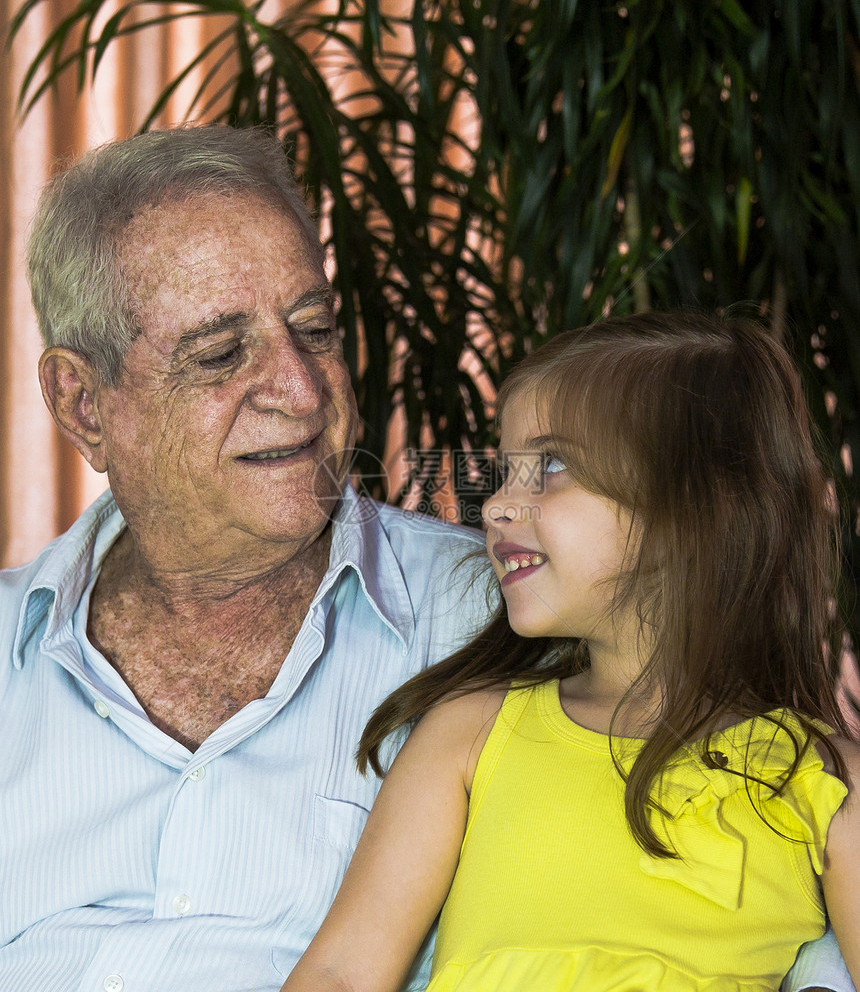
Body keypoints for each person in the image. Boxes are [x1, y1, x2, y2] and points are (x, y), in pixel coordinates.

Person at [0, 125, 492, 991]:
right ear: (83, 404)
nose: (302, 391)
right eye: (221, 354)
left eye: (316, 329)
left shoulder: (495, 621)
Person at [280, 311, 860, 992]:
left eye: (549, 467)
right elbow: (344, 972)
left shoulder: (825, 778)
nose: (495, 506)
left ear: (696, 509)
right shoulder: (471, 732)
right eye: (505, 471)